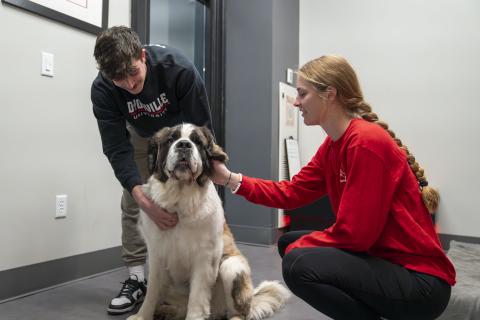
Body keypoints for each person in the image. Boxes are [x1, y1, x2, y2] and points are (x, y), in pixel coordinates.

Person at [211, 55, 455, 320]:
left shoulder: (365, 142)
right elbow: (291, 192)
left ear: (329, 94)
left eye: (302, 94)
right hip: (386, 260)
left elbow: (356, 235)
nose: (296, 102)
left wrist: (303, 249)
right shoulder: (334, 146)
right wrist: (228, 178)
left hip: (420, 282)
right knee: (289, 244)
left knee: (298, 263)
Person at [91, 26, 213, 315]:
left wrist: (207, 172)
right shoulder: (104, 89)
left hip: (180, 132)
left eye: (133, 72)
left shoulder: (179, 69)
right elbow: (116, 149)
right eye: (119, 79)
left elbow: (203, 130)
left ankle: (193, 268)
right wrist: (144, 200)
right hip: (140, 135)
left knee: (195, 195)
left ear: (142, 56)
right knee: (133, 200)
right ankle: (137, 277)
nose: (129, 84)